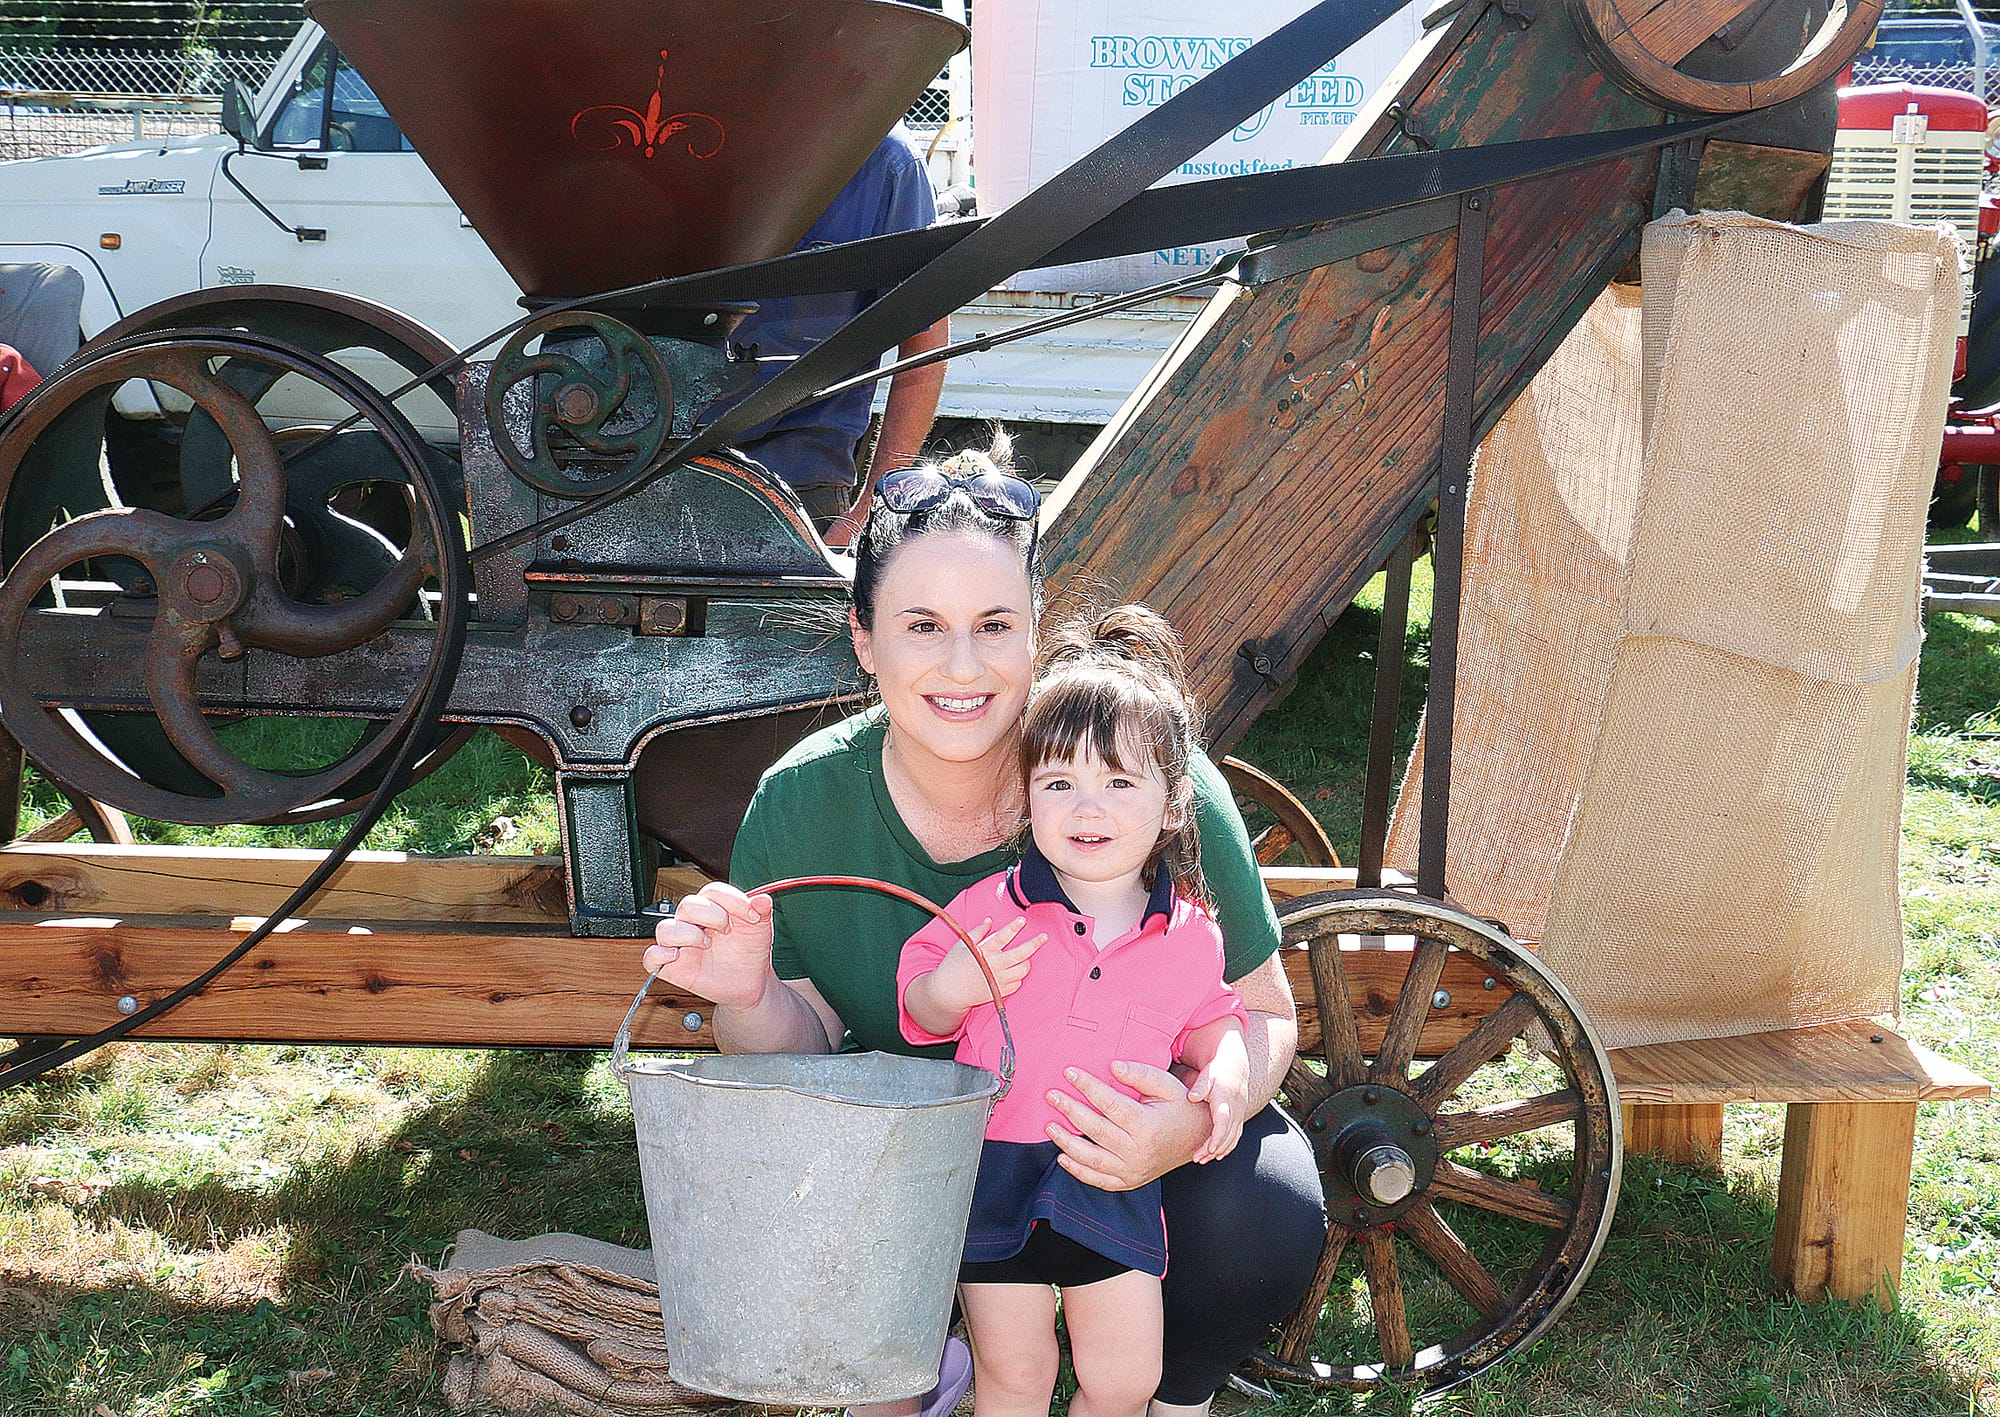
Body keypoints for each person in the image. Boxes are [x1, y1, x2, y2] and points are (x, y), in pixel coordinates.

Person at [642, 434, 1326, 1417]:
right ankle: (923, 1358)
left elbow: (1263, 1014)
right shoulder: (800, 804)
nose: (961, 664)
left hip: (1108, 1141)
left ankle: (1167, 1396)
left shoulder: (1143, 780)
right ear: (864, 638)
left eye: (994, 624)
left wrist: (1187, 1125)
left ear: (1035, 631)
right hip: (921, 1161)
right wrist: (747, 991)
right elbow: (804, 1052)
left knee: (1259, 1202)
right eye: (921, 625)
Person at [897, 604, 1250, 1417]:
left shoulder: (1189, 932)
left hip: (1110, 1171)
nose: (1088, 808)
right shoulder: (991, 910)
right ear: (1028, 798)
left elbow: (1212, 1015)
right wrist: (952, 986)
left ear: (1172, 804)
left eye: (1119, 782)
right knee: (1015, 1374)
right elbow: (920, 1003)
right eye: (1060, 784)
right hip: (995, 1167)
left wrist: (1227, 1065)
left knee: (1124, 1379)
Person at [725, 123, 949, 545]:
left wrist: (870, 513)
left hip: (798, 488)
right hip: (637, 471)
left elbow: (924, 346)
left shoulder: (888, 162)